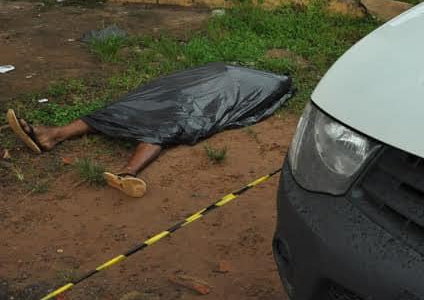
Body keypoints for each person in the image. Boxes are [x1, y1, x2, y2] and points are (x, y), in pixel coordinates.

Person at [5, 64, 291, 198]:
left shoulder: (262, 83)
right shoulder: (248, 77)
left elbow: (234, 108)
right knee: (132, 110)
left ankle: (125, 171)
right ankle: (52, 135)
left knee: (165, 125)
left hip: (196, 100)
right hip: (183, 91)